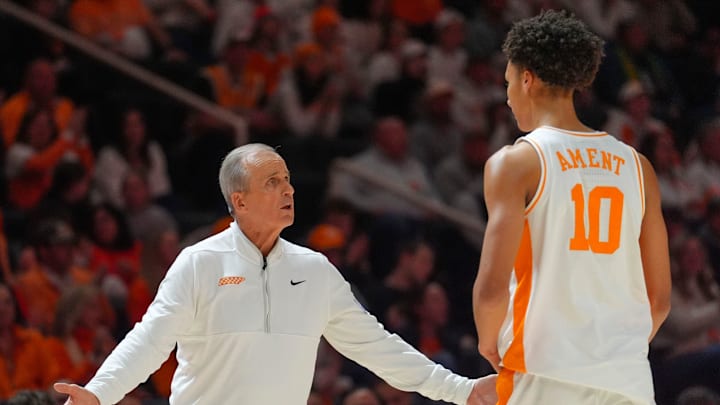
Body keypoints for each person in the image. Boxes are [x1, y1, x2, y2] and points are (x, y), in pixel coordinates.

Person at [54, 143, 497, 405]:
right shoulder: (199, 262)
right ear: (238, 200)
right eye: (272, 182)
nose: (288, 189)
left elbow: (377, 347)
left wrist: (460, 390)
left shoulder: (315, 270)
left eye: (287, 179)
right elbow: (149, 340)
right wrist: (99, 393)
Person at [472, 10, 672, 405]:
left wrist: (489, 343)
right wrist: (610, 353)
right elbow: (660, 299)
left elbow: (493, 290)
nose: (508, 98)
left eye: (508, 83)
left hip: (544, 375)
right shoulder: (637, 166)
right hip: (628, 382)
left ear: (527, 79)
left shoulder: (516, 163)